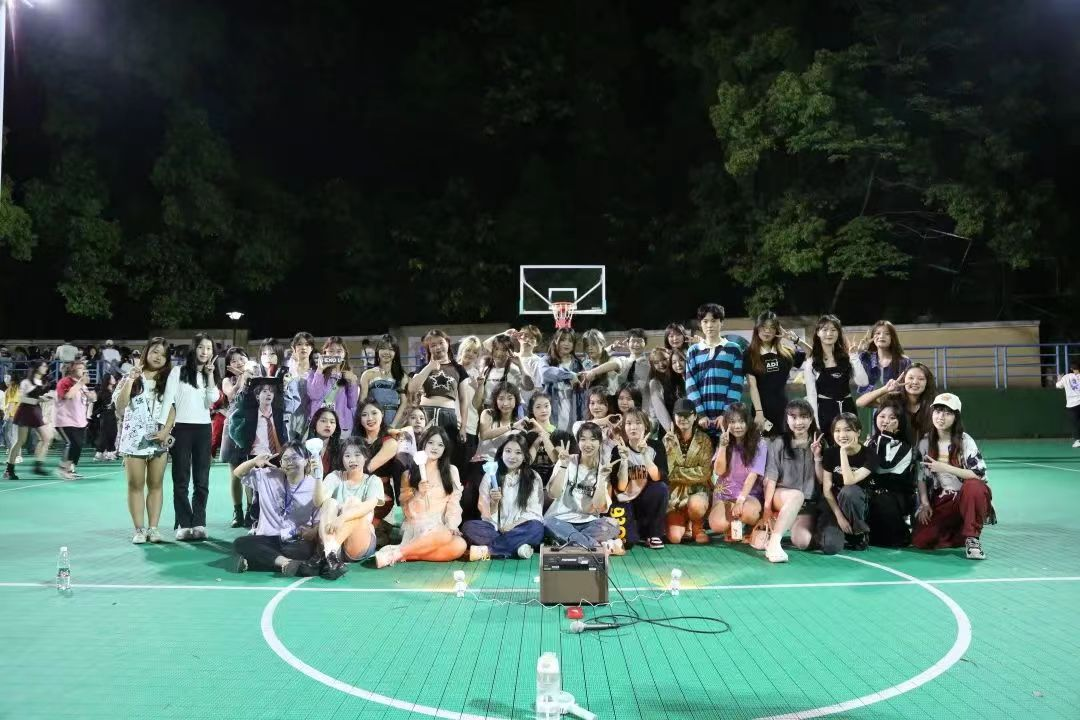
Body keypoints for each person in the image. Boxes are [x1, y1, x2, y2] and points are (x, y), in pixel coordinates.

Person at [912, 393, 995, 560]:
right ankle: (961, 530)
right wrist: (925, 504)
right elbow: (921, 477)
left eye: (947, 413)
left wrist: (945, 467)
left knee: (974, 487)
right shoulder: (925, 442)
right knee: (921, 541)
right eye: (937, 411)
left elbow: (979, 474)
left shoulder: (965, 441)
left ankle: (972, 538)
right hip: (943, 498)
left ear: (956, 417)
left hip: (966, 495)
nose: (941, 417)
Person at [157, 334, 220, 541]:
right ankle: (184, 523)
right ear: (194, 349)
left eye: (209, 348)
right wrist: (163, 428)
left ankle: (199, 522)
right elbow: (168, 399)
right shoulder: (178, 371)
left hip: (203, 430)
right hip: (181, 429)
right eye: (201, 347)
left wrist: (210, 376)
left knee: (202, 479)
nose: (205, 352)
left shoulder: (210, 375)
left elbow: (212, 400)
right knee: (181, 478)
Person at [375, 426, 467, 566]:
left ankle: (400, 554)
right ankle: (402, 553)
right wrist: (418, 494)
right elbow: (407, 512)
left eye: (440, 444)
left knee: (460, 545)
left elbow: (454, 502)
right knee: (444, 535)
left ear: (445, 449)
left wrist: (452, 525)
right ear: (423, 444)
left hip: (441, 526)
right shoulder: (408, 475)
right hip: (417, 526)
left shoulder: (451, 471)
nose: (435, 447)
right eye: (431, 442)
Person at [231, 442, 322, 576]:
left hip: (294, 540)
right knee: (239, 543)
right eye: (285, 458)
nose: (290, 462)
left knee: (306, 550)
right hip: (267, 538)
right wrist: (254, 462)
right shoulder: (269, 476)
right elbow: (238, 473)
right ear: (280, 462)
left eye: (295, 457)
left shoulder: (314, 486)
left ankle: (255, 561)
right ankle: (285, 563)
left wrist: (312, 532)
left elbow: (318, 521)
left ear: (306, 461)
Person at [115, 338, 172, 544]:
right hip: (133, 440)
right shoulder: (131, 377)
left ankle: (153, 529)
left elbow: (173, 407)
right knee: (135, 485)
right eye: (155, 351)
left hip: (159, 440)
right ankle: (139, 529)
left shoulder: (169, 380)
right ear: (146, 352)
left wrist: (166, 431)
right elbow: (120, 406)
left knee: (156, 485)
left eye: (163, 354)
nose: (158, 357)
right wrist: (130, 379)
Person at [462, 434, 546, 560]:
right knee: (469, 527)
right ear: (501, 453)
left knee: (536, 529)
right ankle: (517, 548)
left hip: (520, 527)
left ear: (524, 456)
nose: (512, 456)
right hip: (494, 529)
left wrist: (512, 526)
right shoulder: (490, 476)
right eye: (508, 451)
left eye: (518, 452)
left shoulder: (533, 477)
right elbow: (485, 514)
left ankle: (489, 551)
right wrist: (494, 503)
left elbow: (534, 512)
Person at [760, 399, 823, 563]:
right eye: (793, 417)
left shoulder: (819, 443)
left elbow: (823, 480)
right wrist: (767, 507)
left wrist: (817, 457)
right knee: (796, 495)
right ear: (787, 419)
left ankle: (786, 526)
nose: (798, 422)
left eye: (803, 417)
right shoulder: (778, 442)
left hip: (807, 504)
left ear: (811, 419)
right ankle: (774, 543)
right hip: (782, 496)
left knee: (803, 541)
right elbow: (771, 477)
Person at [543, 423, 622, 552]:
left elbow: (598, 506)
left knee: (613, 525)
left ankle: (571, 541)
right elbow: (553, 494)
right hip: (560, 520)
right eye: (583, 439)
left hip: (588, 523)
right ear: (578, 442)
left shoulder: (603, 468)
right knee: (547, 523)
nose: (588, 444)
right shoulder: (567, 461)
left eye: (593, 439)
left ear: (600, 442)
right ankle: (593, 545)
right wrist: (563, 465)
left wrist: (601, 478)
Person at [315, 438, 384, 573]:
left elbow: (368, 506)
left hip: (358, 545)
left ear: (365, 457)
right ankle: (330, 554)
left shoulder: (373, 481)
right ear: (342, 459)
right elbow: (318, 502)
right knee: (329, 502)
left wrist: (342, 518)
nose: (352, 460)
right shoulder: (335, 476)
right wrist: (318, 476)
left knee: (353, 503)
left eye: (357, 455)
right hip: (336, 546)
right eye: (347, 456)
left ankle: (327, 552)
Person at [606, 409, 668, 549]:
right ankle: (636, 530)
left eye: (638, 423)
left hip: (646, 498)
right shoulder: (618, 449)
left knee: (661, 488)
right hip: (625, 500)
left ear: (646, 426)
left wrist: (645, 455)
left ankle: (654, 534)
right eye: (628, 423)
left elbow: (657, 477)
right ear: (624, 428)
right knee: (628, 542)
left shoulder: (656, 446)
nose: (633, 427)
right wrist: (624, 461)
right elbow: (620, 487)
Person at [816, 413, 877, 554]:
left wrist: (843, 451)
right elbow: (826, 489)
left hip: (858, 504)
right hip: (835, 504)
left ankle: (858, 532)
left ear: (858, 432)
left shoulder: (870, 455)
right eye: (837, 430)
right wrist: (839, 516)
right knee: (830, 547)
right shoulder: (830, 453)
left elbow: (849, 481)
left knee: (849, 491)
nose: (842, 435)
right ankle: (840, 533)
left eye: (848, 430)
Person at [802, 314, 869, 440]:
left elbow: (863, 382)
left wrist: (854, 357)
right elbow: (811, 395)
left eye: (833, 330)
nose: (829, 333)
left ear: (838, 333)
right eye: (825, 330)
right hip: (826, 412)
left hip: (848, 409)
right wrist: (816, 425)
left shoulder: (847, 357)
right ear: (818, 333)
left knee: (851, 445)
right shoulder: (812, 362)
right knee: (831, 448)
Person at [709, 402, 767, 543]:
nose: (737, 426)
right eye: (733, 422)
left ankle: (750, 525)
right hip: (726, 494)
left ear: (748, 422)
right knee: (716, 524)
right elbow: (719, 471)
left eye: (741, 421)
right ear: (727, 423)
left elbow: (753, 475)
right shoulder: (724, 440)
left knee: (747, 513)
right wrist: (723, 446)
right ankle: (734, 524)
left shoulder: (760, 443)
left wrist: (740, 500)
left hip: (749, 495)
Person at [684, 303, 746, 434]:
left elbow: (737, 384)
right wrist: (700, 414)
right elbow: (690, 384)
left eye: (714, 321)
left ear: (721, 322)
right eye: (705, 321)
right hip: (702, 421)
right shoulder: (693, 351)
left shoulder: (734, 349)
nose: (709, 325)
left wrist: (726, 414)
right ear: (700, 324)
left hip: (727, 420)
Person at [466, 383, 524, 522]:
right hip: (482, 463)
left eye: (510, 398)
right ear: (495, 400)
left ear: (516, 400)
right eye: (501, 398)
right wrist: (511, 427)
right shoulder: (488, 414)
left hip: (503, 467)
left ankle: (496, 523)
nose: (505, 403)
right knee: (472, 495)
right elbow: (485, 434)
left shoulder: (519, 423)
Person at [744, 311, 809, 436]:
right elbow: (753, 386)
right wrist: (759, 413)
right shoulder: (750, 354)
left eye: (772, 327)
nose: (767, 331)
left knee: (783, 444)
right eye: (763, 327)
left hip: (784, 413)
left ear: (777, 331)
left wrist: (796, 339)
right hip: (762, 414)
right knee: (765, 444)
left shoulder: (785, 353)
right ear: (757, 328)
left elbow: (813, 355)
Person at [864, 399, 915, 547]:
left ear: (900, 422)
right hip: (872, 495)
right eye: (882, 416)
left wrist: (885, 435)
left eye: (892, 418)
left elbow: (881, 466)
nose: (886, 421)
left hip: (894, 498)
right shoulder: (870, 443)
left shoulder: (905, 448)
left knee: (889, 540)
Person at [408, 329, 469, 450]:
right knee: (423, 450)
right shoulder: (424, 368)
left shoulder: (459, 369)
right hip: (426, 415)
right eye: (433, 345)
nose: (438, 347)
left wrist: (463, 426)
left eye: (441, 343)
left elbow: (464, 400)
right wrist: (429, 367)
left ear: (447, 343)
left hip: (448, 416)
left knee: (446, 452)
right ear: (429, 349)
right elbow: (412, 388)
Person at [664, 398, 715, 544]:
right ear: (674, 417)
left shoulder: (704, 439)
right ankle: (685, 524)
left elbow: (704, 473)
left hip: (698, 490)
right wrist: (668, 449)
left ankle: (697, 526)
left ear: (695, 416)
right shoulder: (667, 439)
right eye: (679, 415)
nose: (683, 419)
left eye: (687, 415)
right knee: (674, 538)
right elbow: (667, 473)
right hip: (675, 495)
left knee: (696, 505)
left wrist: (677, 472)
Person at [856, 362, 937, 444]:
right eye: (911, 378)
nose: (915, 382)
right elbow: (860, 402)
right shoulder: (893, 399)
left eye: (921, 379)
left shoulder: (934, 403)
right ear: (904, 379)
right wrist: (885, 389)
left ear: (927, 382)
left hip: (924, 449)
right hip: (894, 448)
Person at [4, 361, 55, 480]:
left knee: (46, 438)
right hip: (25, 411)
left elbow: (37, 397)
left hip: (36, 410)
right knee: (20, 441)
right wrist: (39, 400)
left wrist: (43, 398)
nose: (46, 367)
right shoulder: (26, 382)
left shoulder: (42, 381)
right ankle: (9, 470)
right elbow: (22, 399)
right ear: (36, 368)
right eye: (43, 366)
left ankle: (38, 466)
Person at [306, 336, 359, 438]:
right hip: (319, 425)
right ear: (324, 353)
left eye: (339, 351)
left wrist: (352, 382)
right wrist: (320, 370)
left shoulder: (349, 376)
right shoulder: (314, 373)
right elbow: (314, 395)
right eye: (331, 351)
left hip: (342, 426)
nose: (335, 354)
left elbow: (352, 403)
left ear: (344, 354)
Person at [54, 360, 97, 480]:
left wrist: (92, 396)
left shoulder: (82, 385)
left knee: (78, 446)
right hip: (65, 420)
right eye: (80, 368)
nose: (83, 370)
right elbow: (67, 395)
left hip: (79, 421)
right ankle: (62, 469)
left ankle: (69, 470)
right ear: (72, 370)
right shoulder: (65, 381)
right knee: (71, 444)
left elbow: (91, 399)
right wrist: (80, 383)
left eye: (84, 368)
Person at [540, 329, 585, 433]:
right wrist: (570, 375)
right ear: (556, 341)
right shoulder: (547, 360)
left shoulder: (578, 363)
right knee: (553, 435)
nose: (566, 343)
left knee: (572, 435)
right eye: (563, 340)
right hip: (552, 405)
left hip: (573, 405)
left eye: (570, 341)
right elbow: (545, 373)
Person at [360, 336, 408, 427]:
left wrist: (393, 425)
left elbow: (403, 403)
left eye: (391, 349)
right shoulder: (367, 374)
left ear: (396, 353)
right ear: (378, 351)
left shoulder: (402, 376)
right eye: (383, 348)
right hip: (373, 421)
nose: (386, 352)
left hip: (394, 421)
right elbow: (362, 402)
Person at [855, 320, 912, 394]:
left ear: (892, 338)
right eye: (878, 333)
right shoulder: (865, 358)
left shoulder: (904, 361)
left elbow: (909, 387)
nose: (881, 336)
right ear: (872, 337)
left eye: (887, 333)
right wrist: (859, 352)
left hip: (895, 400)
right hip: (870, 400)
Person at [283, 331, 316, 441]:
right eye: (299, 344)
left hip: (309, 417)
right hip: (290, 416)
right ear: (293, 348)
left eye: (307, 344)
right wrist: (294, 369)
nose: (303, 347)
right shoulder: (287, 371)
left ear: (311, 348)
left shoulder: (316, 373)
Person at [648, 348, 685, 434]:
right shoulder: (655, 383)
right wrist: (671, 431)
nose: (661, 364)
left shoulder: (680, 376)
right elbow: (660, 410)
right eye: (656, 362)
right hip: (670, 430)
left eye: (664, 359)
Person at [306, 407, 343, 479]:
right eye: (323, 421)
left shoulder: (341, 448)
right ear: (315, 423)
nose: (328, 425)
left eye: (332, 422)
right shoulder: (304, 447)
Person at [91, 373, 119, 461]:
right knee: (106, 434)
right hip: (106, 415)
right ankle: (101, 453)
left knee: (113, 433)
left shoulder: (114, 391)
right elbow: (97, 405)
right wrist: (98, 412)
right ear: (108, 380)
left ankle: (107, 453)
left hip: (112, 414)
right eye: (112, 378)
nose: (114, 379)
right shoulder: (103, 392)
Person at [1055, 360, 1080, 448]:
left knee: (1075, 423)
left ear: (1071, 368)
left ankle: (1078, 441)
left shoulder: (1066, 377)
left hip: (1072, 405)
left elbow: (1058, 386)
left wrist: (1059, 378)